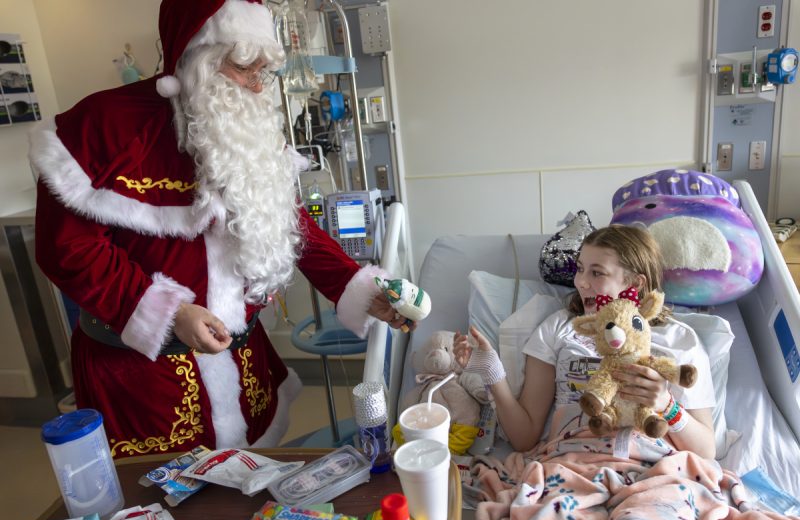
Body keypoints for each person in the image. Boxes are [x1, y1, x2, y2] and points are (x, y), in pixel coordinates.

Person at [29, 0, 407, 457]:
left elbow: (291, 222)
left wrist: (358, 286)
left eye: (264, 70)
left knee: (252, 490)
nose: (256, 85)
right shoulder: (103, 126)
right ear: (197, 57)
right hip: (145, 380)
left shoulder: (249, 125)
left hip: (244, 361)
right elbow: (67, 250)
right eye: (246, 66)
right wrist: (169, 313)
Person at [455, 224, 717, 459]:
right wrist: (492, 371)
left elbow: (706, 451)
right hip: (571, 465)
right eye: (580, 269)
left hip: (650, 471)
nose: (581, 282)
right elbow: (524, 439)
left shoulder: (680, 340)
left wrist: (667, 405)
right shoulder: (558, 328)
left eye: (597, 273)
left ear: (635, 284)